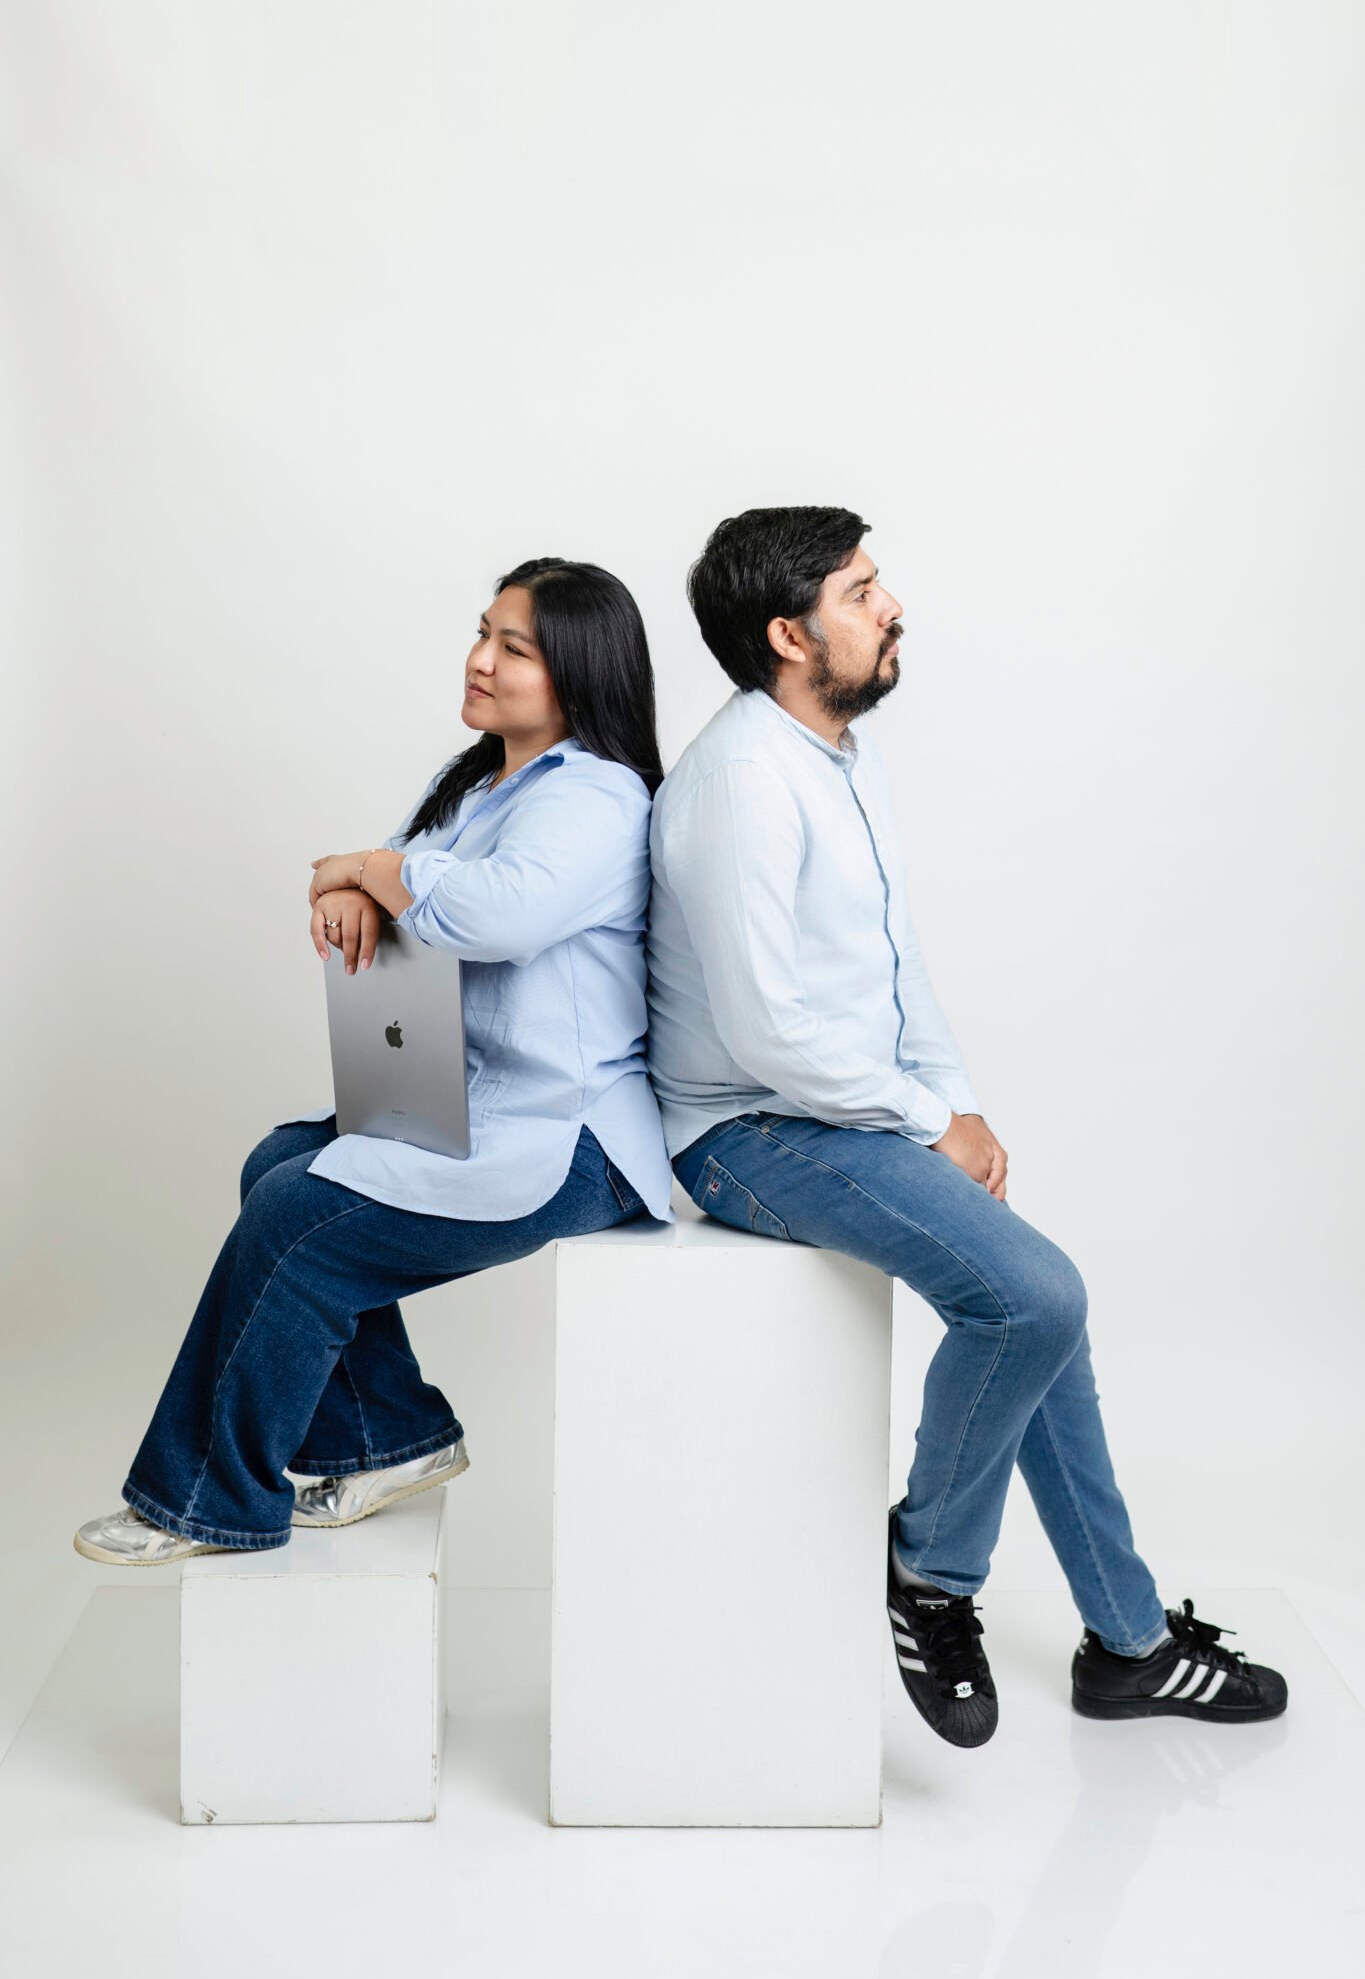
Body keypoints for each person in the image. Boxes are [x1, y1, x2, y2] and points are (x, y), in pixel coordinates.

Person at [645, 505, 1287, 1747]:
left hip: (845, 1110)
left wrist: (958, 1101)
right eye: (860, 591)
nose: (892, 606)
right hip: (746, 1131)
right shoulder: (741, 783)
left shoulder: (839, 752)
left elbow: (895, 960)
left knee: (1042, 1315)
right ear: (789, 635)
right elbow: (768, 1031)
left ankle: (1129, 1642)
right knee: (1035, 1299)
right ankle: (929, 1570)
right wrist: (925, 1115)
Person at [76, 557, 674, 1564]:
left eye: (514, 648)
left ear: (579, 672)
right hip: (471, 1103)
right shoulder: (479, 784)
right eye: (481, 633)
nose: (480, 660)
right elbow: (392, 876)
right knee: (278, 1161)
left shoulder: (599, 797)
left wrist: (367, 869)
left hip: (570, 1139)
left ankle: (208, 1500)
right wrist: (358, 882)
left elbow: (497, 915)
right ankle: (387, 1436)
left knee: (298, 1215)